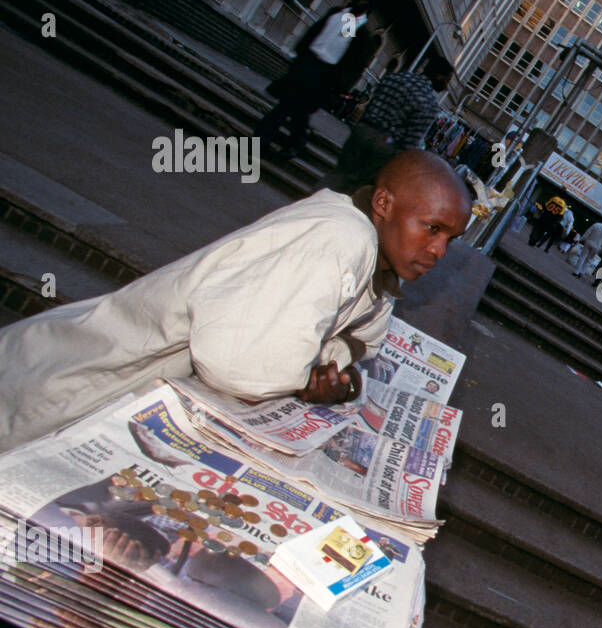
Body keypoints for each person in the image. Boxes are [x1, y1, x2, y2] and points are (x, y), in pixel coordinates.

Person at [0, 151, 472, 453]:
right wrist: (313, 379)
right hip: (65, 384)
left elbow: (362, 339)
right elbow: (242, 367)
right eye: (431, 228)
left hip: (106, 391)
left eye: (450, 238)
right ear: (384, 205)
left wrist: (331, 375)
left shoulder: (377, 258)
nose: (438, 251)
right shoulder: (339, 238)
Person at [256, 0, 380, 157]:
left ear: (369, 5)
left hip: (325, 74)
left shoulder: (363, 36)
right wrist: (301, 56)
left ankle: (277, 141)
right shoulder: (337, 14)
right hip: (307, 63)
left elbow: (354, 64)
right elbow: (315, 33)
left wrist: (338, 87)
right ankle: (285, 142)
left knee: (294, 109)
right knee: (290, 107)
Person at [325, 56, 455, 193]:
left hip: (363, 131)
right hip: (385, 146)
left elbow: (370, 105)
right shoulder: (428, 102)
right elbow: (410, 142)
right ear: (439, 76)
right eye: (447, 80)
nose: (446, 87)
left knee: (339, 173)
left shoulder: (395, 78)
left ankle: (315, 202)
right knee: (359, 187)